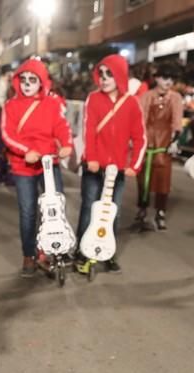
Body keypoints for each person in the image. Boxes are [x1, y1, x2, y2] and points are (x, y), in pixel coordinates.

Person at [0, 58, 73, 277]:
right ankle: (28, 255)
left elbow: (62, 126)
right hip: (24, 165)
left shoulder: (53, 103)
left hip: (50, 163)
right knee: (28, 211)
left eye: (33, 79)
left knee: (55, 208)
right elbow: (6, 134)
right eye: (23, 79)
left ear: (42, 82)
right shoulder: (10, 106)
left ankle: (49, 249)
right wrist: (25, 151)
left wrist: (67, 144)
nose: (27, 84)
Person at [75, 54, 146, 273]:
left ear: (120, 76)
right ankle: (82, 250)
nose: (104, 79)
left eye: (109, 74)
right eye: (101, 74)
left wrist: (134, 165)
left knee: (111, 210)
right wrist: (93, 158)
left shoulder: (132, 103)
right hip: (94, 167)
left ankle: (108, 251)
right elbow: (88, 131)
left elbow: (140, 136)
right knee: (89, 207)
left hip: (118, 170)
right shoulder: (93, 99)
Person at [135, 63, 184, 231]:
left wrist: (175, 140)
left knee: (164, 179)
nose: (168, 82)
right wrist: (139, 139)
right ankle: (142, 208)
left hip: (164, 141)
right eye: (164, 78)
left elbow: (177, 120)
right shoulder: (147, 96)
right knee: (143, 179)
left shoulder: (175, 98)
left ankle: (161, 211)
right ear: (157, 78)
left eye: (171, 79)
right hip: (147, 139)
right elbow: (141, 118)